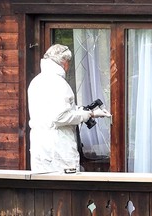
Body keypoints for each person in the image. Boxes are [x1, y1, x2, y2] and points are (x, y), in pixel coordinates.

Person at [27, 44, 111, 173]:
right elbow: (60, 117)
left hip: (41, 147)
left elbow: (57, 110)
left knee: (44, 188)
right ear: (65, 62)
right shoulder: (58, 83)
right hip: (58, 148)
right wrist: (87, 115)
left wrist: (87, 112)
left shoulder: (36, 81)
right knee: (65, 188)